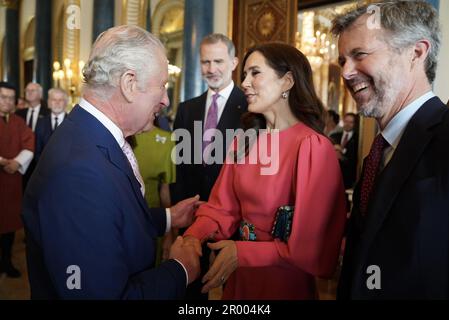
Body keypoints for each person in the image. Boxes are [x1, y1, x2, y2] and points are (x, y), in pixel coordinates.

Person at [22, 25, 201, 299]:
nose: (165, 99)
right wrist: (180, 269)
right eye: (162, 85)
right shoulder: (79, 173)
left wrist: (167, 217)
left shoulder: (91, 134)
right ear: (129, 84)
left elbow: (109, 219)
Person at [183, 43, 347, 299]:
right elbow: (222, 208)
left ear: (287, 81)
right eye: (244, 75)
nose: (245, 83)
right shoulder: (243, 141)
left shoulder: (312, 146)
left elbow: (314, 246)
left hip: (282, 281)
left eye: (255, 73)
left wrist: (243, 253)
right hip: (239, 276)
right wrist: (194, 236)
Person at [332, 1, 449, 299]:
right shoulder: (378, 150)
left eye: (359, 54)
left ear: (416, 52)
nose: (345, 73)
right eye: (342, 60)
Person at [172, 33, 248, 299]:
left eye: (218, 61)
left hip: (234, 215)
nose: (211, 69)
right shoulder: (186, 109)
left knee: (235, 288)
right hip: (192, 212)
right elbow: (180, 165)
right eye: (206, 62)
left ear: (234, 62)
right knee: (191, 286)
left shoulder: (251, 108)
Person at [0, 81, 34, 278]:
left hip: (12, 182)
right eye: (3, 97)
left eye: (11, 98)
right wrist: (2, 161)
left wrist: (17, 163)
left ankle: (7, 261)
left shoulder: (18, 122)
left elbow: (29, 143)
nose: (7, 101)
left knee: (9, 226)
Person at [133, 119, 177, 263]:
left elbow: (165, 192)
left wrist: (169, 234)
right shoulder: (121, 134)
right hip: (118, 219)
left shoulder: (167, 141)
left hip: (151, 220)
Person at [16, 82, 49, 191]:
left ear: (40, 94)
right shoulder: (18, 113)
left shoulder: (48, 113)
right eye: (27, 90)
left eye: (32, 90)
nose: (29, 93)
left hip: (41, 161)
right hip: (21, 161)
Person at [34, 88, 68, 161]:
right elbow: (37, 151)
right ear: (49, 103)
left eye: (60, 100)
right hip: (44, 168)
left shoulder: (74, 124)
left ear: (66, 103)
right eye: (54, 100)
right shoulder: (40, 123)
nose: (57, 103)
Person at [330, 113, 358, 189]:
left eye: (351, 122)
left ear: (354, 124)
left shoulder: (358, 139)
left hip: (348, 177)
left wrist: (342, 150)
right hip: (333, 175)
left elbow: (355, 157)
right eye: (346, 121)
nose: (348, 124)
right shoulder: (334, 136)